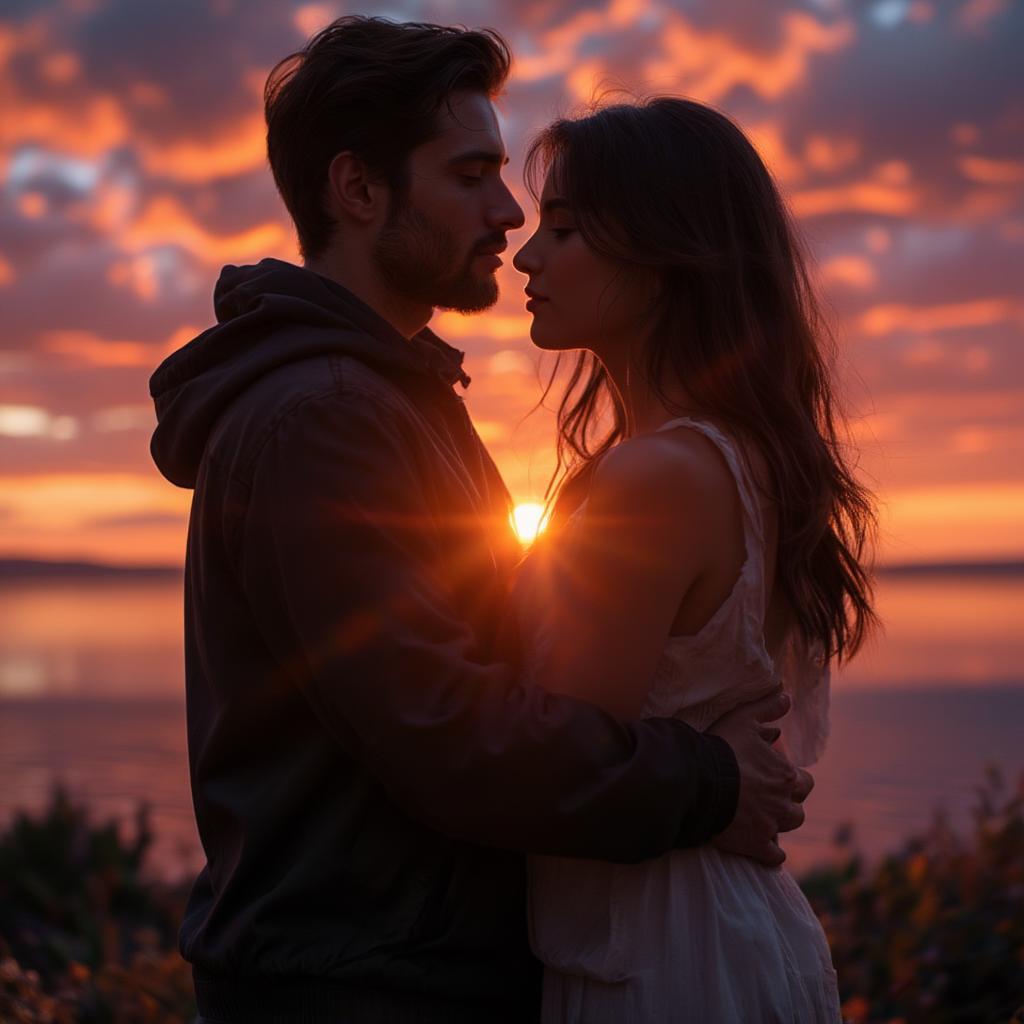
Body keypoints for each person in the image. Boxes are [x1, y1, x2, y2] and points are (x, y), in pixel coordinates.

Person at [148, 18, 808, 1023]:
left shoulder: (393, 400)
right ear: (359, 190)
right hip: (359, 985)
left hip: (402, 966)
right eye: (469, 176)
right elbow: (444, 729)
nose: (506, 214)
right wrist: (708, 781)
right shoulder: (325, 418)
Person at [511, 97, 878, 1022]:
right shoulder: (736, 455)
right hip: (708, 931)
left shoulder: (658, 477)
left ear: (665, 251)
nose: (526, 255)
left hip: (658, 951)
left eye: (565, 230)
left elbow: (563, 762)